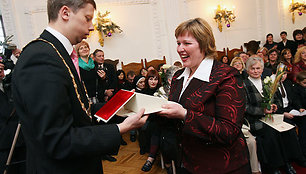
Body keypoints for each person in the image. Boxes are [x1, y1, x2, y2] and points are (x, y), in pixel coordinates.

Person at [11, 0, 148, 173]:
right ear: (65, 13)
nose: (92, 27)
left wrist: (121, 107)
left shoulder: (57, 52)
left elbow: (77, 108)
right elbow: (57, 140)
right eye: (87, 18)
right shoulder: (40, 58)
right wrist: (121, 128)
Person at [158, 18, 250, 174]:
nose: (180, 49)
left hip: (221, 166)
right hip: (187, 162)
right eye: (178, 43)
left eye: (186, 43)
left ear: (204, 44)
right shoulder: (178, 76)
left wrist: (185, 114)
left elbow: (228, 131)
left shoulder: (227, 76)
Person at [243, 57, 305, 174]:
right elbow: (245, 107)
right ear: (247, 70)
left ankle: (288, 162)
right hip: (255, 121)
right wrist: (262, 111)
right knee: (271, 133)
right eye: (253, 69)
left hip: (272, 118)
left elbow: (277, 100)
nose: (256, 71)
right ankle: (274, 166)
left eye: (258, 68)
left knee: (289, 130)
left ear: (262, 69)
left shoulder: (267, 81)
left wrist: (275, 106)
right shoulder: (244, 85)